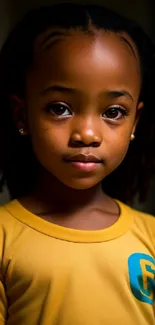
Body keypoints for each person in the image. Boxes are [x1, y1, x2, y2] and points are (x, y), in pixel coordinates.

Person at [0, 2, 155, 324]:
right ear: (22, 113)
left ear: (135, 122)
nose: (87, 134)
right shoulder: (3, 236)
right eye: (59, 108)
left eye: (113, 112)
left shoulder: (151, 236)